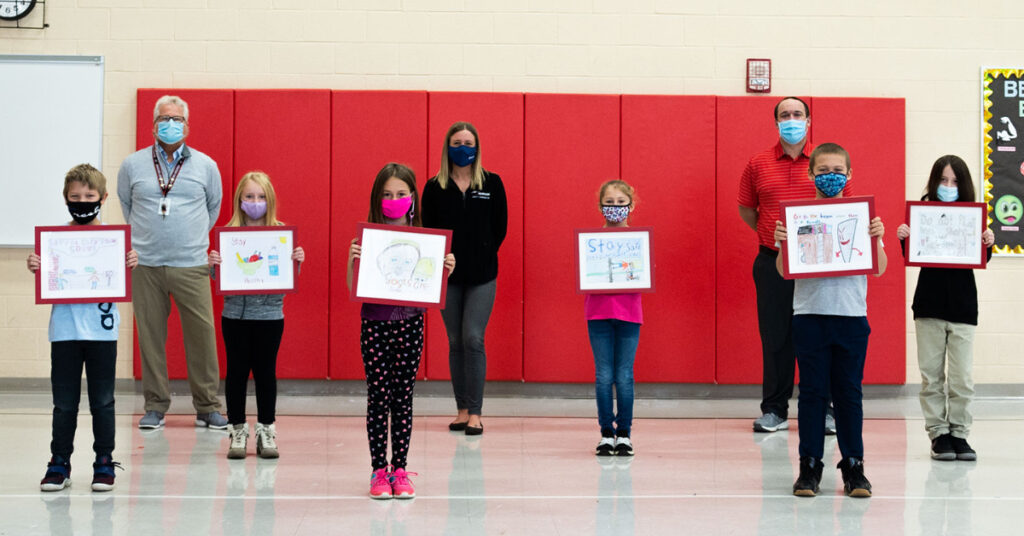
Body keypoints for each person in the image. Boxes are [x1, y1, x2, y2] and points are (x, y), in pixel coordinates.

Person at [774, 143, 887, 498]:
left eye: (838, 169)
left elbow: (880, 269)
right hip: (809, 315)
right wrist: (782, 246)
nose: (830, 176)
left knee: (849, 394)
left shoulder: (863, 218)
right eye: (822, 170)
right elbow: (784, 272)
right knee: (811, 393)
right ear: (811, 175)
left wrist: (878, 240)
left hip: (852, 316)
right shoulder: (800, 218)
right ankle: (810, 466)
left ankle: (854, 466)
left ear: (850, 174)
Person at [117, 95, 226, 430]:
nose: (170, 124)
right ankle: (155, 405)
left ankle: (207, 406)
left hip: (191, 264)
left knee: (202, 337)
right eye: (165, 118)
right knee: (150, 338)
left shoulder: (206, 166)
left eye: (177, 119)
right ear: (153, 125)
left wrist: (187, 236)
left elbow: (213, 208)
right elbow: (126, 204)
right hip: (146, 265)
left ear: (187, 126)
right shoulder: (132, 165)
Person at [28, 164, 139, 492]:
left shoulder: (113, 241)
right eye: (75, 196)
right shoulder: (54, 242)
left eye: (89, 196)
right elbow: (49, 276)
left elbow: (120, 276)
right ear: (65, 199)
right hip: (64, 332)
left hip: (102, 333)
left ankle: (104, 460)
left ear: (102, 198)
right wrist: (37, 264)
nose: (82, 201)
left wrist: (129, 262)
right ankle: (59, 462)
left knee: (103, 401)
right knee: (64, 403)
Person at [348, 162, 456, 499]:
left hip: (410, 325)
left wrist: (445, 270)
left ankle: (400, 469)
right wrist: (353, 261)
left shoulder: (425, 239)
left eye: (401, 194)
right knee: (379, 398)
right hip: (375, 326)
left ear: (412, 197)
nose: (394, 199)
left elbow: (429, 286)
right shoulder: (368, 238)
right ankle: (378, 470)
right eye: (387, 194)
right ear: (377, 198)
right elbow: (354, 288)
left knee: (403, 398)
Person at [739, 96, 845, 434]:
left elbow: (845, 205)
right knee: (776, 337)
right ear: (776, 122)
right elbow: (747, 209)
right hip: (773, 261)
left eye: (798, 113)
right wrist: (773, 233)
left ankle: (825, 410)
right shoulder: (758, 163)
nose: (792, 119)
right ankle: (775, 410)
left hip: (819, 264)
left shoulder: (826, 162)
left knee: (820, 336)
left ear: (809, 119)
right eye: (785, 114)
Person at [896, 155, 994, 462]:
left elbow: (983, 258)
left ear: (962, 185)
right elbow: (914, 254)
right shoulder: (922, 214)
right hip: (929, 304)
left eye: (954, 181)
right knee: (932, 375)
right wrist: (904, 238)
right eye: (943, 180)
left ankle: (960, 434)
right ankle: (938, 434)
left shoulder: (973, 217)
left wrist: (988, 242)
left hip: (964, 306)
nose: (948, 186)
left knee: (962, 377)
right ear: (933, 182)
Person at [207, 171, 305, 459]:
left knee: (265, 373)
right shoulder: (229, 235)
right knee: (236, 373)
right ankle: (237, 429)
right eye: (249, 196)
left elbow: (286, 278)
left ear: (270, 200)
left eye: (261, 196)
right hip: (235, 316)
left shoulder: (281, 234)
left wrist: (296, 262)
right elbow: (219, 278)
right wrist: (214, 264)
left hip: (270, 317)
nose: (255, 201)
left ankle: (266, 429)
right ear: (239, 200)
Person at [421, 122, 508, 436]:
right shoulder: (434, 187)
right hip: (447, 277)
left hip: (483, 276)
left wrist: (481, 254)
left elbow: (500, 228)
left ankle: (476, 412)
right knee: (455, 342)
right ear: (448, 147)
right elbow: (428, 230)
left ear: (477, 147)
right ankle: (460, 410)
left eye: (468, 142)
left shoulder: (492, 183)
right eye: (457, 142)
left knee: (473, 338)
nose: (463, 148)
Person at [588, 180, 642, 458]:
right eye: (609, 202)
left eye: (621, 203)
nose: (615, 208)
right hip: (597, 314)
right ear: (600, 206)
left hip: (629, 314)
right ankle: (606, 433)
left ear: (631, 205)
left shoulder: (638, 242)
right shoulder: (591, 242)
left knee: (624, 376)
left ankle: (624, 433)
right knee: (603, 375)